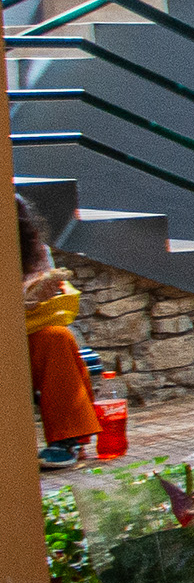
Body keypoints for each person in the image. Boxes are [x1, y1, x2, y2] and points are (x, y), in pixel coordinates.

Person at [19, 195, 95, 471]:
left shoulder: (33, 251)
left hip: (25, 330)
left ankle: (66, 439)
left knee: (56, 338)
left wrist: (38, 294)